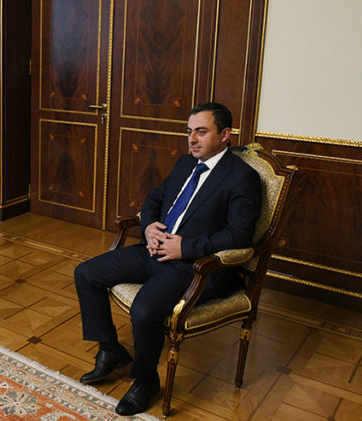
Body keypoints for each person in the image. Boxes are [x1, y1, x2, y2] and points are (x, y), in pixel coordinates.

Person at [74, 102, 262, 416]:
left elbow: (239, 235)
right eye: (189, 132)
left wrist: (185, 247)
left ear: (225, 134)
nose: (192, 139)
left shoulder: (242, 177)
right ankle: (110, 349)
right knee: (86, 273)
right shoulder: (185, 164)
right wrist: (148, 226)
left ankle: (146, 381)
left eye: (201, 132)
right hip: (154, 250)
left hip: (193, 266)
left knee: (145, 310)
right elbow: (155, 198)